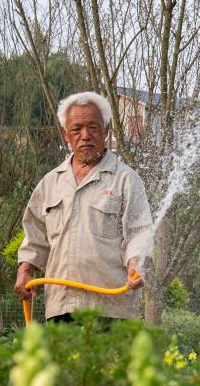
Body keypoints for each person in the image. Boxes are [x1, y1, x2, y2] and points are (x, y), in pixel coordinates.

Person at [14, 91, 154, 321]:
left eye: (94, 127)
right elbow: (35, 236)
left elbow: (139, 231)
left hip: (113, 311)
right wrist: (25, 269)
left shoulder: (126, 180)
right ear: (65, 134)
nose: (85, 135)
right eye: (77, 129)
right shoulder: (50, 184)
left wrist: (137, 264)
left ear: (106, 130)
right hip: (62, 307)